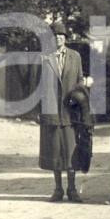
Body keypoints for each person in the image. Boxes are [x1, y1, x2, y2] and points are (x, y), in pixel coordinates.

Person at [38, 22, 86, 202]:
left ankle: (72, 189)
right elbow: (40, 86)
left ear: (66, 38)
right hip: (51, 112)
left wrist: (78, 99)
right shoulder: (45, 58)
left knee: (71, 152)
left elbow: (80, 80)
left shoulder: (75, 57)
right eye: (55, 35)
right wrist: (40, 111)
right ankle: (58, 189)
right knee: (55, 151)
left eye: (61, 35)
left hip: (70, 112)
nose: (58, 38)